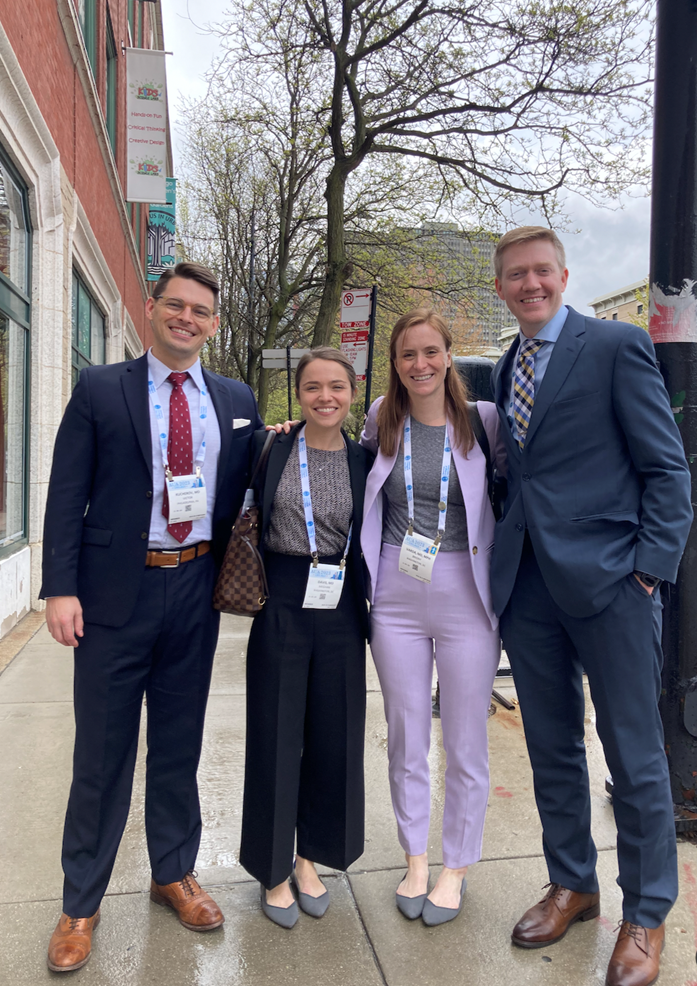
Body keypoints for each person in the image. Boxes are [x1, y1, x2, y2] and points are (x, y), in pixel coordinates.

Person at [41, 262, 263, 972]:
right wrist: (60, 587)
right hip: (111, 598)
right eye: (176, 306)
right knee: (101, 757)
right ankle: (81, 902)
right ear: (150, 308)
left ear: (214, 323)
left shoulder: (235, 397)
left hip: (193, 589)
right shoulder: (100, 388)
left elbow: (248, 478)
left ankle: (173, 871)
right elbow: (65, 490)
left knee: (178, 745)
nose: (187, 319)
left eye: (201, 311)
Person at [491, 227, 693, 986]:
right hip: (530, 590)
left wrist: (646, 573)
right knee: (549, 747)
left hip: (612, 587)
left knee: (635, 758)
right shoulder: (507, 364)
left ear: (563, 275)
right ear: (501, 286)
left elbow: (666, 471)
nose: (529, 284)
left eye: (541, 271)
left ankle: (644, 915)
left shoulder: (613, 346)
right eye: (515, 275)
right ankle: (572, 882)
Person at [360, 309, 503, 926]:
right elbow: (338, 462)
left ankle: (457, 866)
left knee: (467, 737)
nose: (420, 364)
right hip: (396, 589)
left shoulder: (485, 423)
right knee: (406, 734)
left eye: (430, 351)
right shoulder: (380, 420)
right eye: (407, 354)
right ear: (395, 364)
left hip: (467, 590)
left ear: (449, 355)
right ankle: (416, 858)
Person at [239, 347, 373, 928]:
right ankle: (272, 870)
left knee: (334, 732)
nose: (326, 397)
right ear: (298, 394)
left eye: (337, 387)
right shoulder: (269, 449)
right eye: (314, 387)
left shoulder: (368, 459)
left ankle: (309, 857)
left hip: (341, 598)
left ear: (352, 391)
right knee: (274, 731)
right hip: (282, 595)